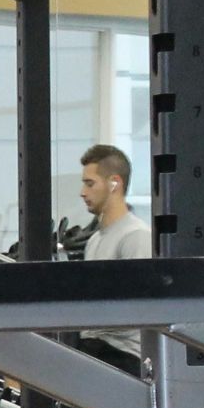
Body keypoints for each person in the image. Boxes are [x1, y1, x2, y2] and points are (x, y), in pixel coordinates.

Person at [75, 143, 152, 373]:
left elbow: (140, 309)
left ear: (114, 183)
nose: (83, 192)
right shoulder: (94, 240)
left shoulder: (136, 236)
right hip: (93, 348)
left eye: (90, 184)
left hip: (122, 357)